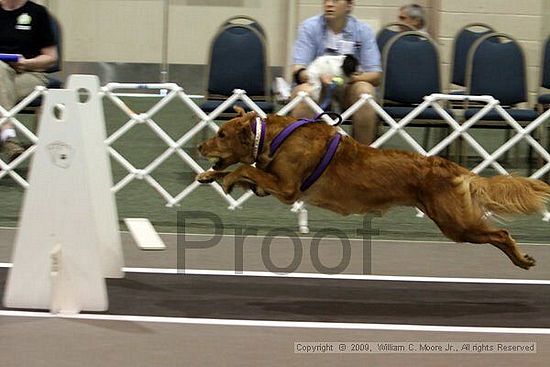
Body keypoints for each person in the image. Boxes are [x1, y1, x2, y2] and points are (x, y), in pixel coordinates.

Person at [291, 0, 382, 145]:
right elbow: (298, 70)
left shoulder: (364, 30)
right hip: (317, 84)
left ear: (349, 5)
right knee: (304, 94)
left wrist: (344, 79)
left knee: (366, 93)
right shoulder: (309, 27)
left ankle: (362, 157)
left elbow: (375, 75)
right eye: (326, 0)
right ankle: (299, 156)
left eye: (335, 0)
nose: (329, 4)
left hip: (348, 87)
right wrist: (317, 77)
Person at [0, 0, 58, 161]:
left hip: (31, 74)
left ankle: (8, 135)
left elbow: (51, 57)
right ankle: (7, 137)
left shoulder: (37, 13)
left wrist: (26, 63)